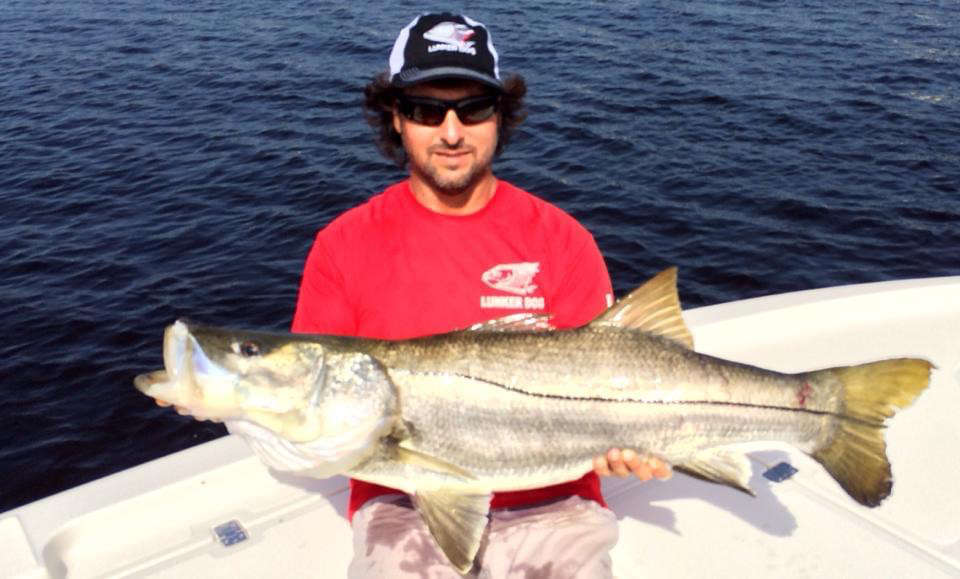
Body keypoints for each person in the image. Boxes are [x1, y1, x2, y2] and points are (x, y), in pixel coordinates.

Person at [251, 12, 669, 578]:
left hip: (553, 500)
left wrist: (631, 442)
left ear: (500, 117)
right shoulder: (342, 246)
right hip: (402, 500)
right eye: (427, 110)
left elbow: (612, 365)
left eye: (472, 109)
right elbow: (313, 411)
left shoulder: (562, 239)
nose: (451, 132)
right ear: (395, 118)